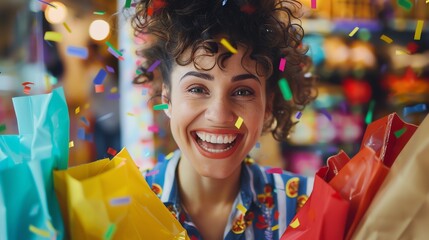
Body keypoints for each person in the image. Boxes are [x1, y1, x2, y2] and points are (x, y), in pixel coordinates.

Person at [131, 0, 317, 239]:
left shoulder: (307, 206)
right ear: (167, 97)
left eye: (243, 92)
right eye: (197, 89)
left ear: (268, 105)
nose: (219, 114)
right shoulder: (120, 207)